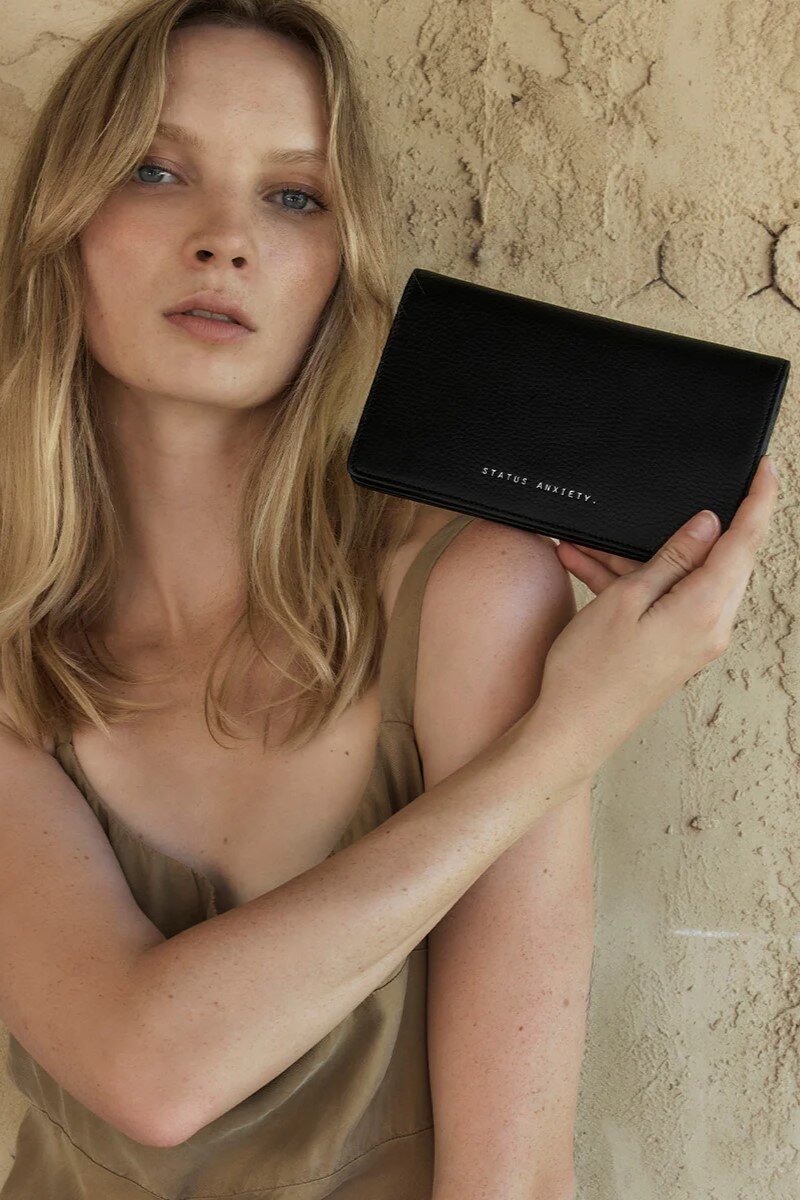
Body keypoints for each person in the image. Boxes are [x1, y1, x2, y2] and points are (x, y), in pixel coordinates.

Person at [0, 1, 780, 1198]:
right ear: (62, 221)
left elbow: (510, 1178)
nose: (225, 240)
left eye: (292, 195)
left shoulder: (466, 591)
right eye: (155, 170)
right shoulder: (14, 649)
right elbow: (147, 1069)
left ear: (340, 263)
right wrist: (561, 742)